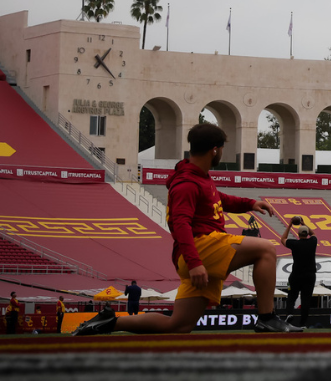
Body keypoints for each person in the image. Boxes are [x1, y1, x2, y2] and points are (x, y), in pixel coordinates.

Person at [74, 123, 296, 335]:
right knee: (266, 249)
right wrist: (195, 263)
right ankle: (267, 319)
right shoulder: (188, 182)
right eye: (221, 150)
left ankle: (109, 322)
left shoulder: (197, 177)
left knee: (178, 326)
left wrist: (250, 204)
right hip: (201, 249)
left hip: (200, 253)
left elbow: (219, 199)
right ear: (215, 150)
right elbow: (179, 224)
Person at [282, 218, 318, 328]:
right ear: (307, 233)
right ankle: (303, 323)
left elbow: (283, 239)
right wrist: (304, 224)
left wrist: (289, 225)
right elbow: (314, 234)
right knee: (306, 299)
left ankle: (290, 313)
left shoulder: (294, 244)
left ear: (297, 234)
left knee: (291, 296)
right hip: (309, 275)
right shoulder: (312, 242)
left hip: (296, 274)